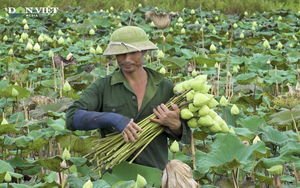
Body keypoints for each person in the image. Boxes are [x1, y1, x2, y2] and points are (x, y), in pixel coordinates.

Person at [65, 26, 191, 171]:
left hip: (154, 175)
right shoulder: (103, 86)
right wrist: (112, 119)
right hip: (115, 176)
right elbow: (71, 117)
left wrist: (176, 126)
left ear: (144, 51)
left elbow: (186, 136)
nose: (127, 59)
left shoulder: (165, 87)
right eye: (121, 54)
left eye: (132, 53)